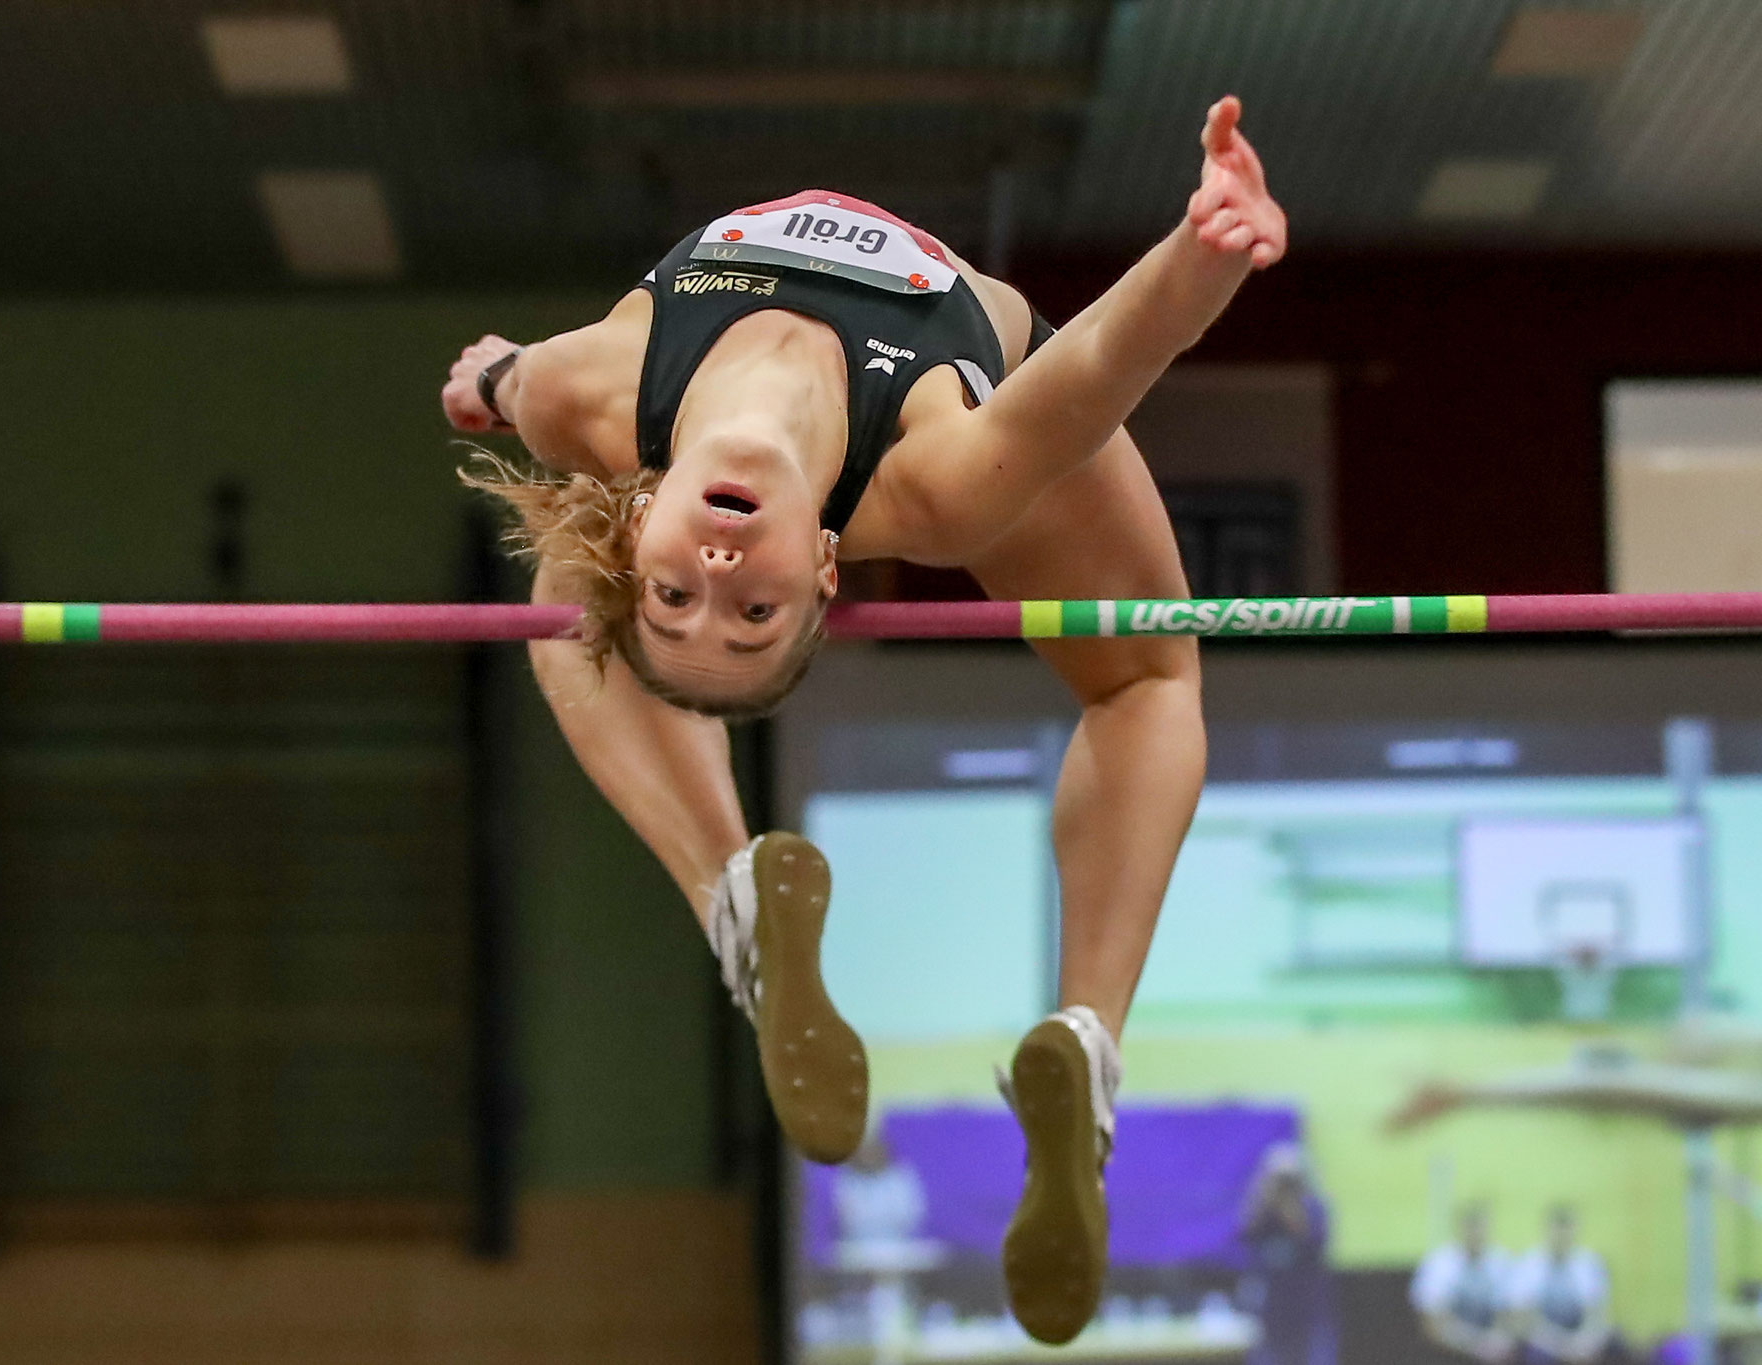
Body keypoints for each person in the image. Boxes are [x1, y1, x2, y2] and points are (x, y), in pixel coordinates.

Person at [441, 97, 1287, 1343]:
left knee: (569, 592)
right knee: (1146, 681)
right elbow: (1099, 369)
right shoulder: (934, 484)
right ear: (824, 570)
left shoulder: (590, 398)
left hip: (650, 421)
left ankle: (739, 907)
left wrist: (493, 376)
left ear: (647, 516)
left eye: (678, 593)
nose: (718, 579)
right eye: (755, 610)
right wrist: (1201, 253)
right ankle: (1085, 1037)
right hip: (982, 374)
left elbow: (502, 382)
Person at [1238, 1142, 1338, 1365]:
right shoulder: (1263, 1210)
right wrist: (1266, 1192)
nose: (1285, 1186)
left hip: (1309, 1312)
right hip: (1270, 1314)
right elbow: (1245, 1232)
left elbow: (1308, 1237)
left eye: (1290, 1180)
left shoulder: (1315, 1208)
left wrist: (1291, 1200)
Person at [1411, 1203, 1519, 1363]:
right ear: (1460, 1230)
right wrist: (1475, 1344)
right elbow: (1432, 1325)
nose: (1475, 1235)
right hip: (1448, 1354)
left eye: (1479, 1228)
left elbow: (1514, 1313)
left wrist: (1496, 1341)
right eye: (1471, 1229)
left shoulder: (1501, 1262)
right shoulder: (1440, 1264)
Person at [1512, 1206, 1620, 1364]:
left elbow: (1596, 1315)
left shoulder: (1589, 1264)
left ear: (1574, 1231)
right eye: (1557, 1230)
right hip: (1542, 1342)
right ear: (1547, 1230)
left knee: (1615, 1342)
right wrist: (1558, 1345)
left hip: (1579, 1341)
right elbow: (1523, 1318)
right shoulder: (1529, 1264)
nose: (1561, 1236)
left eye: (1566, 1230)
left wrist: (1580, 1344)